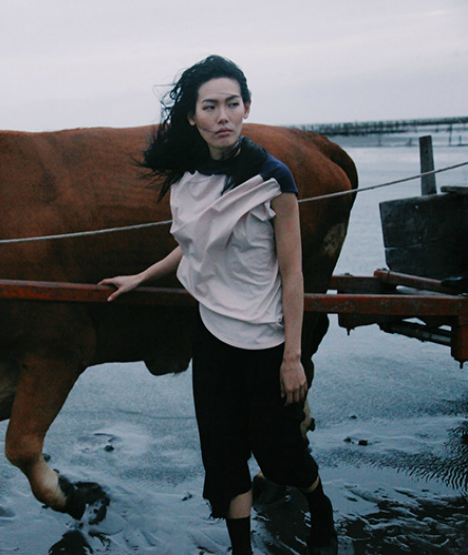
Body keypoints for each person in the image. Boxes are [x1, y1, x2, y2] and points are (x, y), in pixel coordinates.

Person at [99, 56, 337, 555]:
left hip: (267, 338)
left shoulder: (275, 179)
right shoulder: (188, 179)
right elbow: (193, 244)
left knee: (280, 454)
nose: (223, 116)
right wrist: (142, 275)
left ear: (247, 108)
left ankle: (321, 509)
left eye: (232, 104)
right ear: (193, 116)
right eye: (211, 106)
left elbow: (292, 275)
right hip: (212, 337)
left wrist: (293, 356)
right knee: (224, 457)